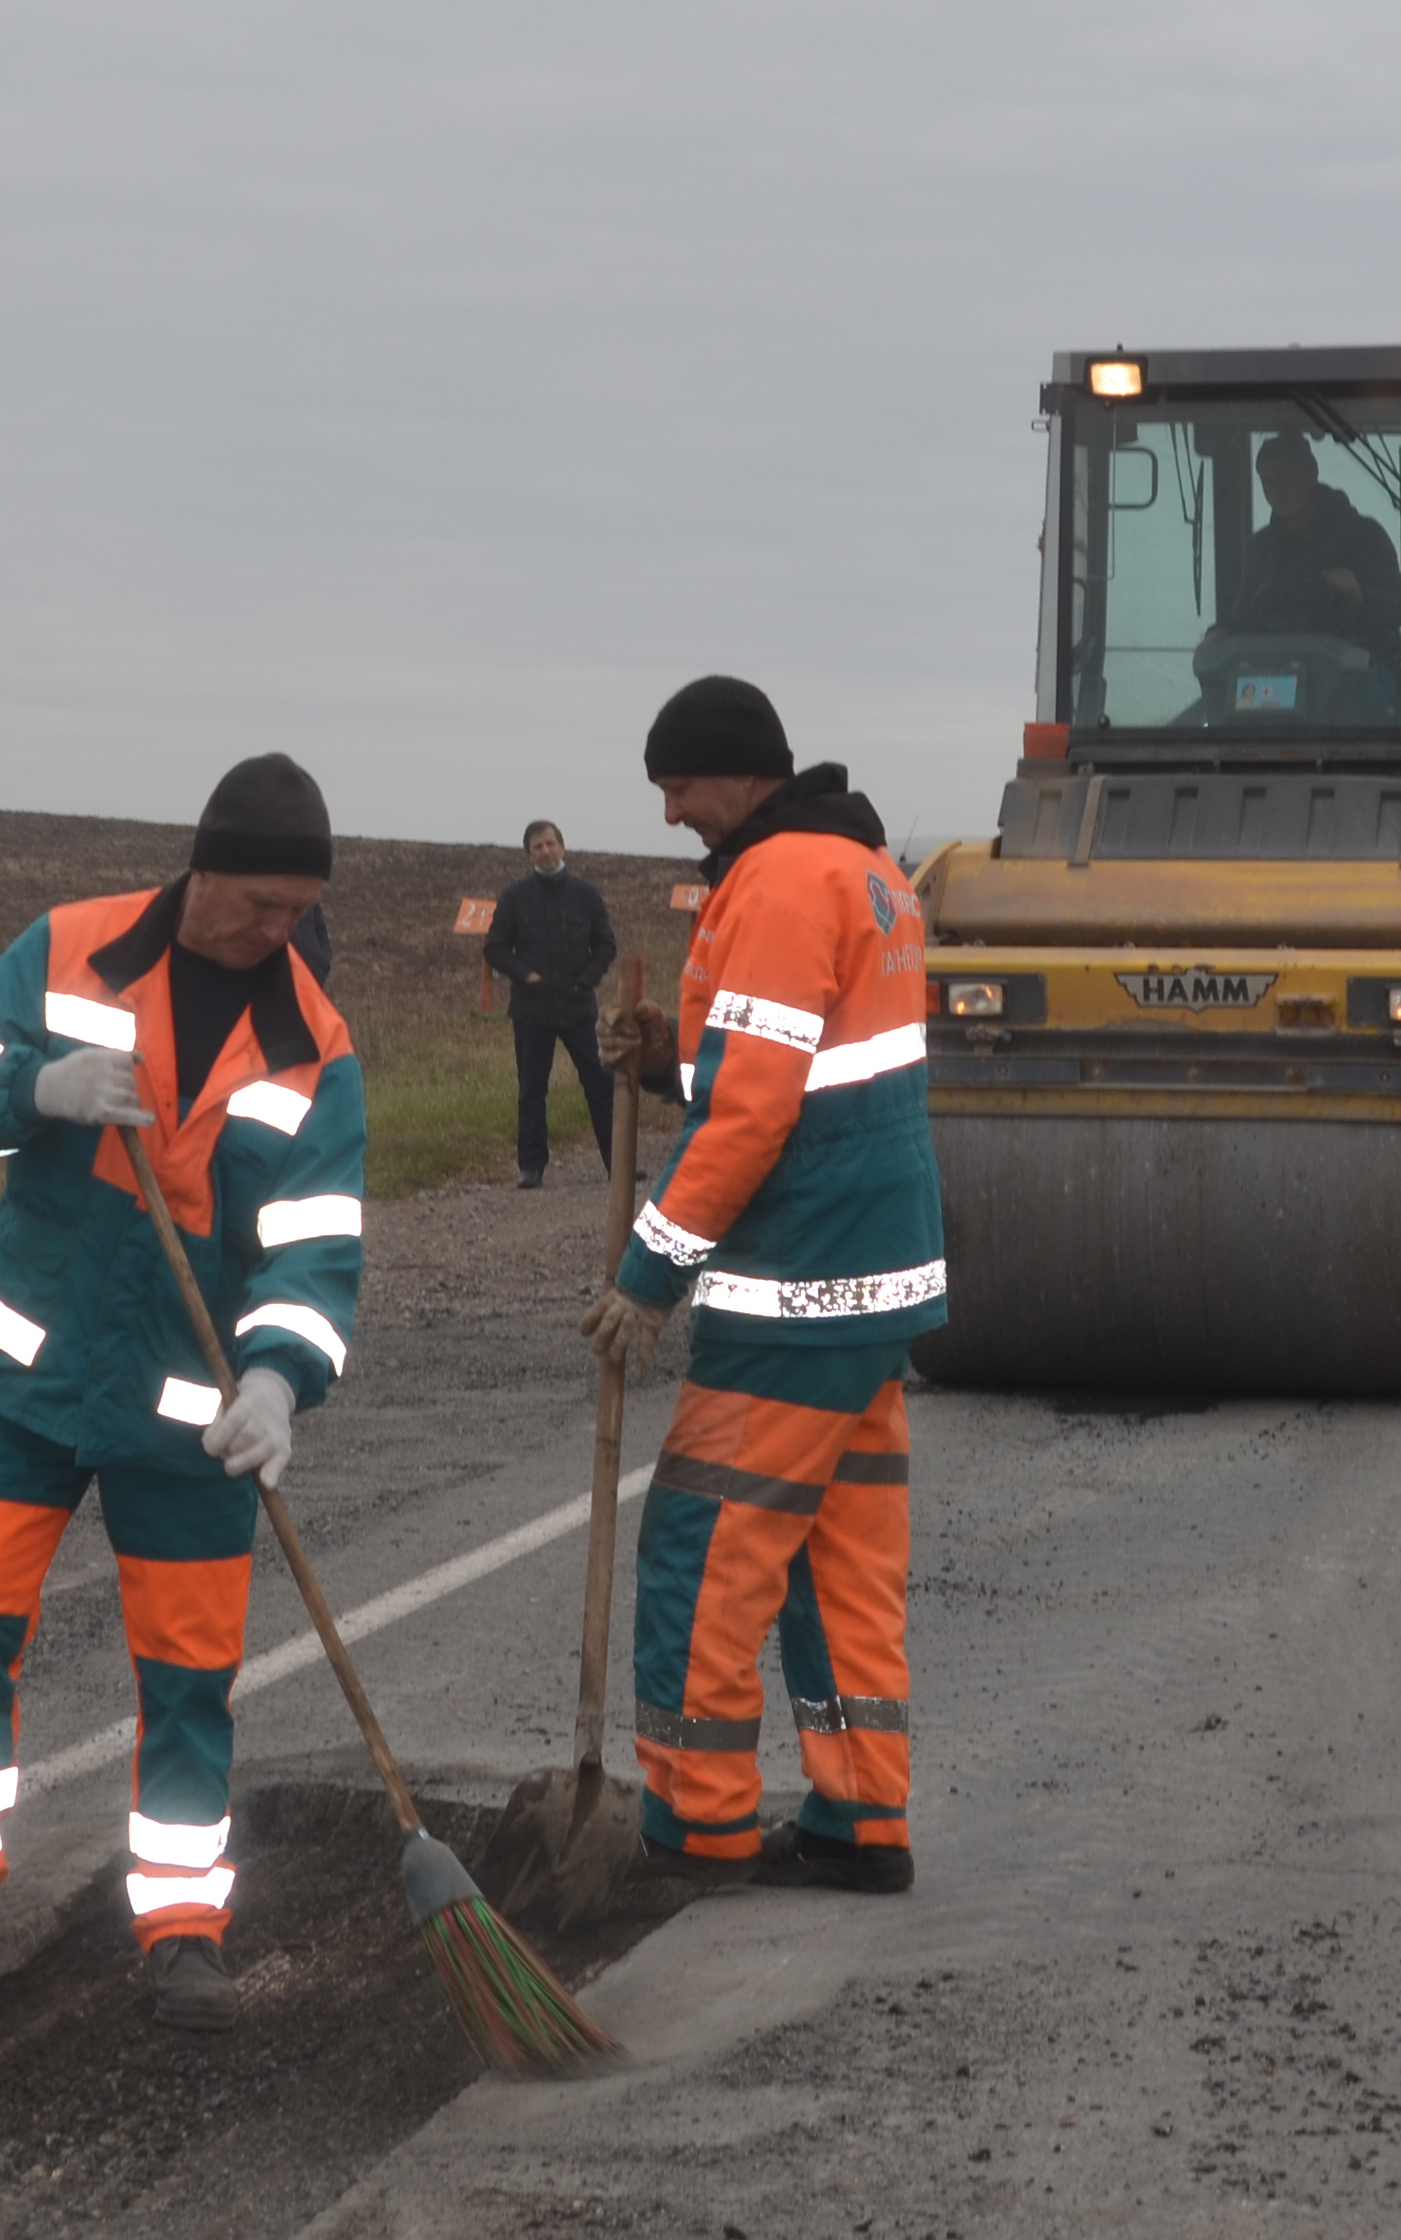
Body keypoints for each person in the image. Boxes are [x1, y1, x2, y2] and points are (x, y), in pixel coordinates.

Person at [0, 753, 365, 2035]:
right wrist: (29, 1092)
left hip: (191, 1418)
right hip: (29, 1384)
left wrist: (276, 1377)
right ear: (202, 869)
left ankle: (182, 1924)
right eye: (262, 905)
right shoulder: (69, 948)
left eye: (297, 910)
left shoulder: (309, 1042)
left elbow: (316, 1250)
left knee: (191, 1677)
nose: (281, 933)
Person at [581, 676, 946, 1892]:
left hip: (795, 1284)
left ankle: (694, 1823)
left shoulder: (782, 883)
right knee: (840, 1561)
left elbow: (750, 1113)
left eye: (680, 786)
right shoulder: (867, 870)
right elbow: (785, 1068)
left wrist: (647, 1276)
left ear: (739, 773)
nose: (673, 810)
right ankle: (860, 1818)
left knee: (702, 1550)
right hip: (869, 1288)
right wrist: (666, 1058)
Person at [483, 819, 620, 1188]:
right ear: (529, 854)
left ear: (562, 846)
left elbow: (606, 944)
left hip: (579, 1009)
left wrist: (588, 978)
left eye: (550, 844)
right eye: (537, 847)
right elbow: (494, 947)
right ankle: (531, 1167)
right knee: (531, 1089)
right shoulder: (515, 897)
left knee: (600, 1084)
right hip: (532, 1011)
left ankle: (617, 1162)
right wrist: (525, 974)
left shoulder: (586, 895)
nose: (545, 851)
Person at [1216, 431, 1401, 660]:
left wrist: (1360, 597)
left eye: (1286, 478)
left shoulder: (1361, 535)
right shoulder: (1261, 548)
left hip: (1358, 675)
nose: (1276, 491)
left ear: (1311, 475)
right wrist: (1220, 633)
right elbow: (1242, 618)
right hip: (1276, 672)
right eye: (1267, 481)